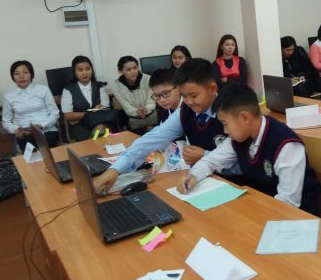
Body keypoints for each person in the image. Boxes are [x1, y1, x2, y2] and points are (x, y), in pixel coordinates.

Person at [93, 58, 238, 194]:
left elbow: (240, 161)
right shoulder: (186, 111)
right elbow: (152, 139)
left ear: (212, 89)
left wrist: (204, 155)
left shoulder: (231, 112)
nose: (188, 101)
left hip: (234, 186)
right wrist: (114, 170)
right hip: (201, 182)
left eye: (194, 96)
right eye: (184, 96)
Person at [176, 83, 321, 215]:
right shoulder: (240, 137)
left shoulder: (286, 145)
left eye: (225, 124)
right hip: (260, 205)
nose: (225, 131)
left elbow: (287, 203)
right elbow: (211, 161)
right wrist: (193, 176)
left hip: (297, 216)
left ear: (244, 118)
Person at [2, 60, 60, 151]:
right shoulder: (9, 97)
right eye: (17, 74)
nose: (21, 76)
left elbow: (55, 113)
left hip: (46, 129)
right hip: (25, 133)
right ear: (13, 77)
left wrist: (41, 126)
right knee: (27, 144)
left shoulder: (43, 89)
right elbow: (5, 121)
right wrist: (16, 129)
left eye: (25, 72)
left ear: (31, 75)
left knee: (49, 141)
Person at [61, 55, 120, 141]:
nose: (85, 73)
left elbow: (105, 108)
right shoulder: (68, 90)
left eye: (87, 69)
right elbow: (68, 116)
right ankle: (100, 144)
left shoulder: (100, 86)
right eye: (80, 70)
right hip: (81, 126)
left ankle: (98, 144)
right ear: (74, 72)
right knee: (100, 134)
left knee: (100, 128)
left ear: (92, 70)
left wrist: (79, 115)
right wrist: (91, 112)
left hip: (103, 121)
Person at [112, 56, 157, 133]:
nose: (133, 72)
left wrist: (146, 109)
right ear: (121, 71)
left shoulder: (148, 79)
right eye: (128, 69)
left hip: (150, 115)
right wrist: (137, 112)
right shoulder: (116, 86)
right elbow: (126, 107)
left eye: (135, 68)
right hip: (132, 119)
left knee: (152, 131)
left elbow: (152, 101)